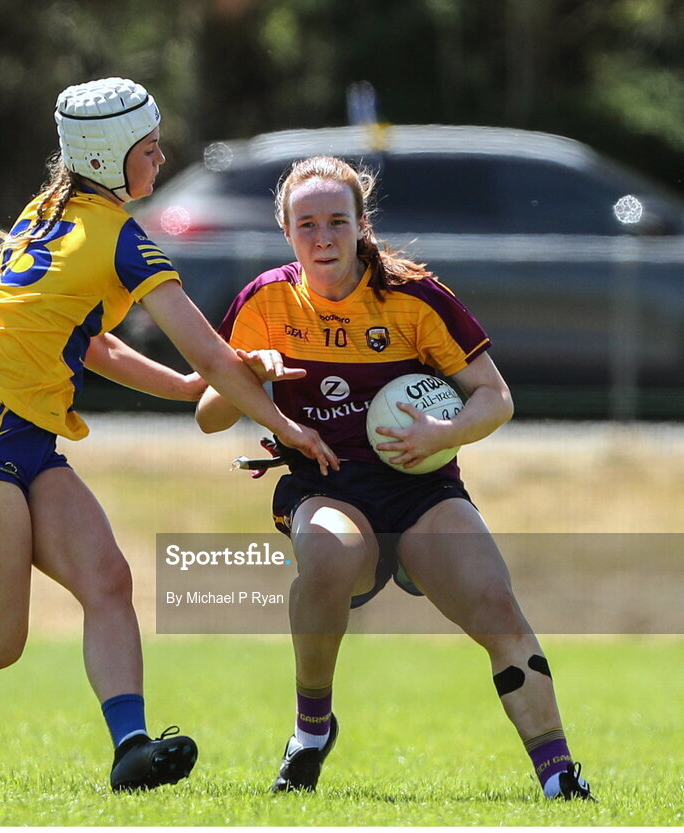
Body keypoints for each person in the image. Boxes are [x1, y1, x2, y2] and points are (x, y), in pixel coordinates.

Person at [0, 78, 338, 792]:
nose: (162, 156)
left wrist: (181, 390)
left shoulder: (51, 213)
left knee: (108, 578)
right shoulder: (115, 237)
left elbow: (97, 344)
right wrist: (287, 424)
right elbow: (211, 354)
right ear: (112, 159)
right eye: (149, 147)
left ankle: (131, 749)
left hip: (22, 442)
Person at [195, 155, 593, 800]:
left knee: (496, 607)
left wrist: (441, 434)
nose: (322, 238)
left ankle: (559, 777)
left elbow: (495, 398)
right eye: (306, 224)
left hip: (419, 488)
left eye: (336, 222)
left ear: (359, 225)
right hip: (323, 482)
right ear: (285, 230)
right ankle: (311, 727)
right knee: (325, 558)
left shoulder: (413, 298)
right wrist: (252, 373)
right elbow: (210, 417)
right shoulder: (264, 300)